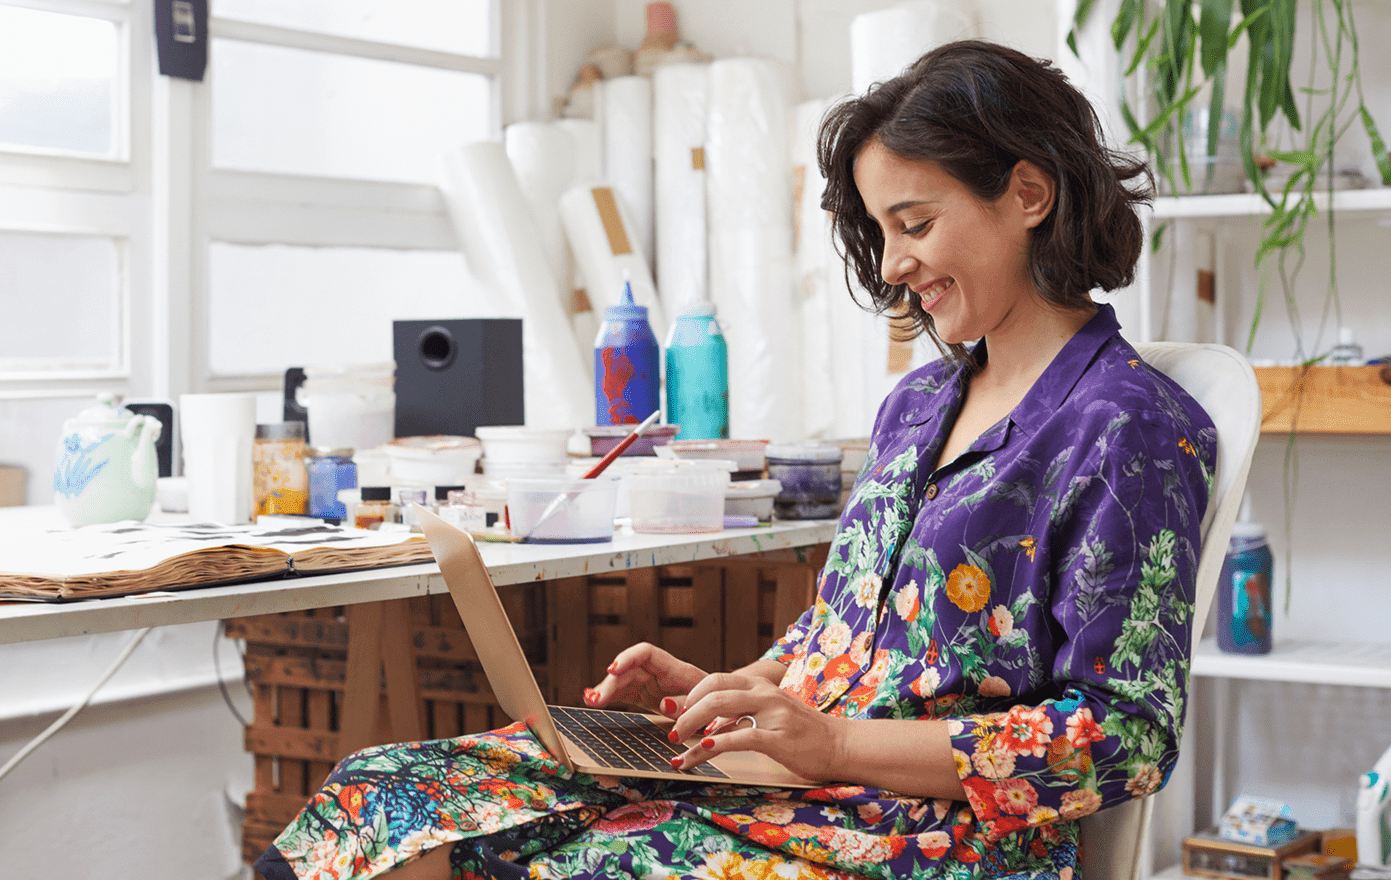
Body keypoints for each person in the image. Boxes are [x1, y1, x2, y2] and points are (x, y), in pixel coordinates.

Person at [255, 40, 1216, 880]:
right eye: (879, 233)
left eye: (914, 225)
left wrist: (833, 741)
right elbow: (844, 635)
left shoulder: (1128, 429)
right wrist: (733, 688)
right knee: (383, 791)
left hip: (919, 835)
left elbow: (1124, 740)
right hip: (793, 779)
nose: (889, 267)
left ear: (1029, 194)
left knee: (542, 856)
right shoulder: (919, 406)